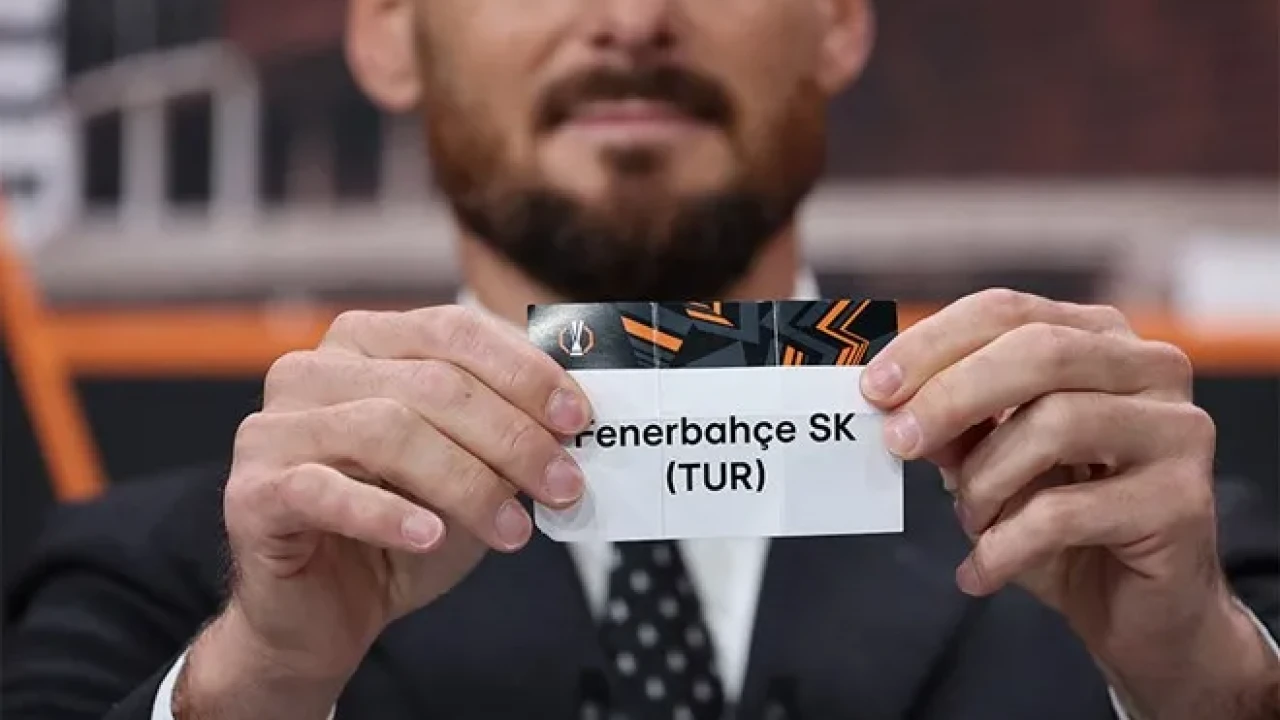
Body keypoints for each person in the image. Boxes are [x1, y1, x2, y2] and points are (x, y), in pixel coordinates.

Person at [4, 1, 1279, 718]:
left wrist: (1202, 691)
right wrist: (260, 683)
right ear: (388, 29)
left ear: (838, 20)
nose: (630, 20)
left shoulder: (1155, 553)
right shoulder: (168, 586)